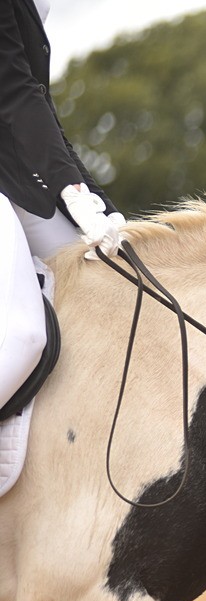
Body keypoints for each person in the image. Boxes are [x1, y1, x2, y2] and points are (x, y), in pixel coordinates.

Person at [1, 0, 125, 413]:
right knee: (24, 338)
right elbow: (14, 91)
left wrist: (94, 201)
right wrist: (72, 190)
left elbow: (40, 107)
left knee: (101, 285)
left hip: (13, 175)